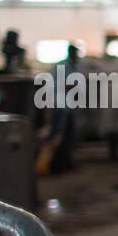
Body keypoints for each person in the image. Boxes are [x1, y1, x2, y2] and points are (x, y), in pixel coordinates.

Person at [40, 44, 81, 173]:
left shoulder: (74, 67)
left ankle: (64, 162)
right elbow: (58, 84)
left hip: (69, 107)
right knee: (55, 134)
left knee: (70, 136)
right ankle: (43, 162)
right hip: (60, 105)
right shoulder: (62, 66)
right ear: (70, 52)